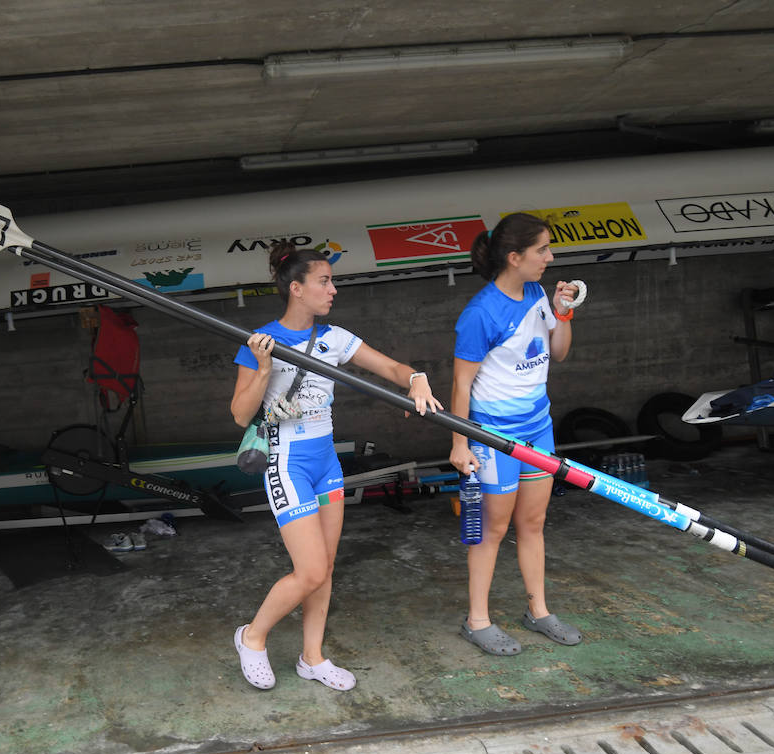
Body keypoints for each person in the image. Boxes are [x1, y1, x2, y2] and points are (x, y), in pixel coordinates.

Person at [231, 241, 441, 691]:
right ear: (297, 289)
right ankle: (252, 637)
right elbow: (239, 414)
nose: (333, 291)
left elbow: (391, 368)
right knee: (308, 570)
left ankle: (312, 657)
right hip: (288, 463)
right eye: (324, 282)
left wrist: (417, 379)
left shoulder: (335, 338)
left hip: (326, 462)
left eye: (332, 282)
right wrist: (264, 367)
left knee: (324, 568)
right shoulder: (259, 342)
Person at [447, 212, 584, 656]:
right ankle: (477, 620)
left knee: (533, 523)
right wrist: (460, 443)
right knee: (494, 527)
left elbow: (559, 353)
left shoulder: (537, 294)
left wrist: (562, 313)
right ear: (514, 257)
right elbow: (461, 383)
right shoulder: (480, 313)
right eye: (541, 249)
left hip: (537, 428)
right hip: (493, 437)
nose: (549, 257)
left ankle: (538, 611)